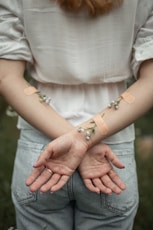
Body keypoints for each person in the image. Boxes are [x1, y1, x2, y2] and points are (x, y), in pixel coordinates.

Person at [0, 0, 153, 229]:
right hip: (111, 149)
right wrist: (82, 141)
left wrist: (77, 141)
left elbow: (6, 77)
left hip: (42, 151)